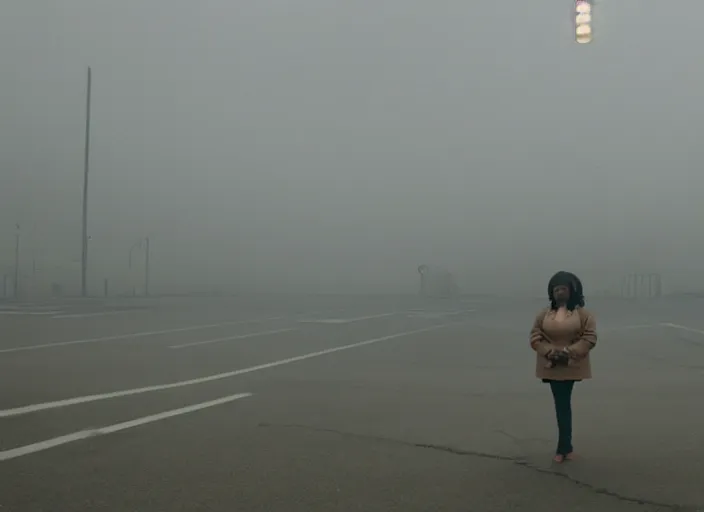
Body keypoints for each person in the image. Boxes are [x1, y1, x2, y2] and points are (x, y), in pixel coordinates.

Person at [529, 271, 597, 463]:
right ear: (552, 292)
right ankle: (564, 447)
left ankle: (564, 447)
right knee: (562, 404)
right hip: (551, 365)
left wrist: (569, 352)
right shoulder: (543, 315)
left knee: (563, 404)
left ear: (572, 291)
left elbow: (590, 338)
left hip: (572, 364)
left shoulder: (584, 315)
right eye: (556, 289)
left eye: (563, 289)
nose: (560, 293)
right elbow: (535, 337)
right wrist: (549, 352)